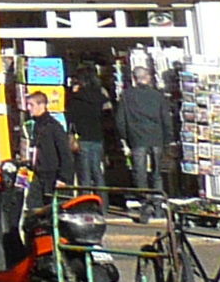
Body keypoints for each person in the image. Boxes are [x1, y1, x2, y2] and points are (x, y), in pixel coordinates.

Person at [117, 60, 173, 196]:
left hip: (137, 138)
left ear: (134, 79)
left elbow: (120, 120)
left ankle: (144, 198)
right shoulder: (157, 95)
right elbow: (166, 118)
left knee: (139, 171)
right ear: (147, 77)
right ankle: (158, 199)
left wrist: (125, 137)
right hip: (156, 137)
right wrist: (168, 138)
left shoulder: (126, 96)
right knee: (157, 172)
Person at [23, 88, 79, 200]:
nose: (28, 108)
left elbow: (65, 154)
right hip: (38, 174)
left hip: (52, 175)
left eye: (31, 105)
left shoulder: (54, 127)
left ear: (42, 105)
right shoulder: (35, 125)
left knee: (52, 208)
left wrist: (64, 178)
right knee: (33, 207)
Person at [66, 63, 113, 189]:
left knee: (84, 175)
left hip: (83, 138)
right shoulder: (101, 96)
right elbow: (107, 117)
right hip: (98, 137)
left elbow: (70, 118)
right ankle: (103, 205)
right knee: (98, 172)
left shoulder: (75, 98)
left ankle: (86, 204)